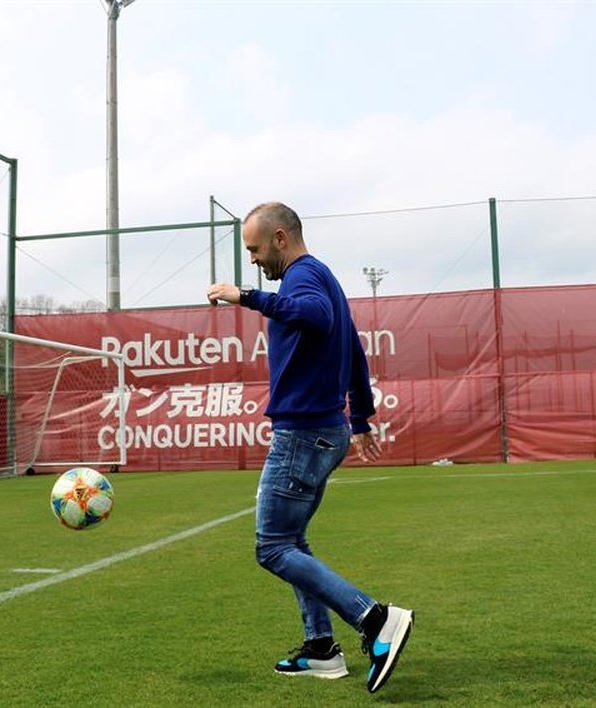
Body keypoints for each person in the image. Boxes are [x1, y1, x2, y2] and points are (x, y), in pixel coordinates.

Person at [206, 201, 414, 694]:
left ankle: (375, 619)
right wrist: (361, 417)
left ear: (281, 238)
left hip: (302, 435)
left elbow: (315, 319)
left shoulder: (302, 279)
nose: (253, 260)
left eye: (255, 249)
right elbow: (354, 353)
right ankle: (321, 648)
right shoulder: (321, 277)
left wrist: (247, 297)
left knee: (272, 547)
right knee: (292, 541)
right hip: (324, 430)